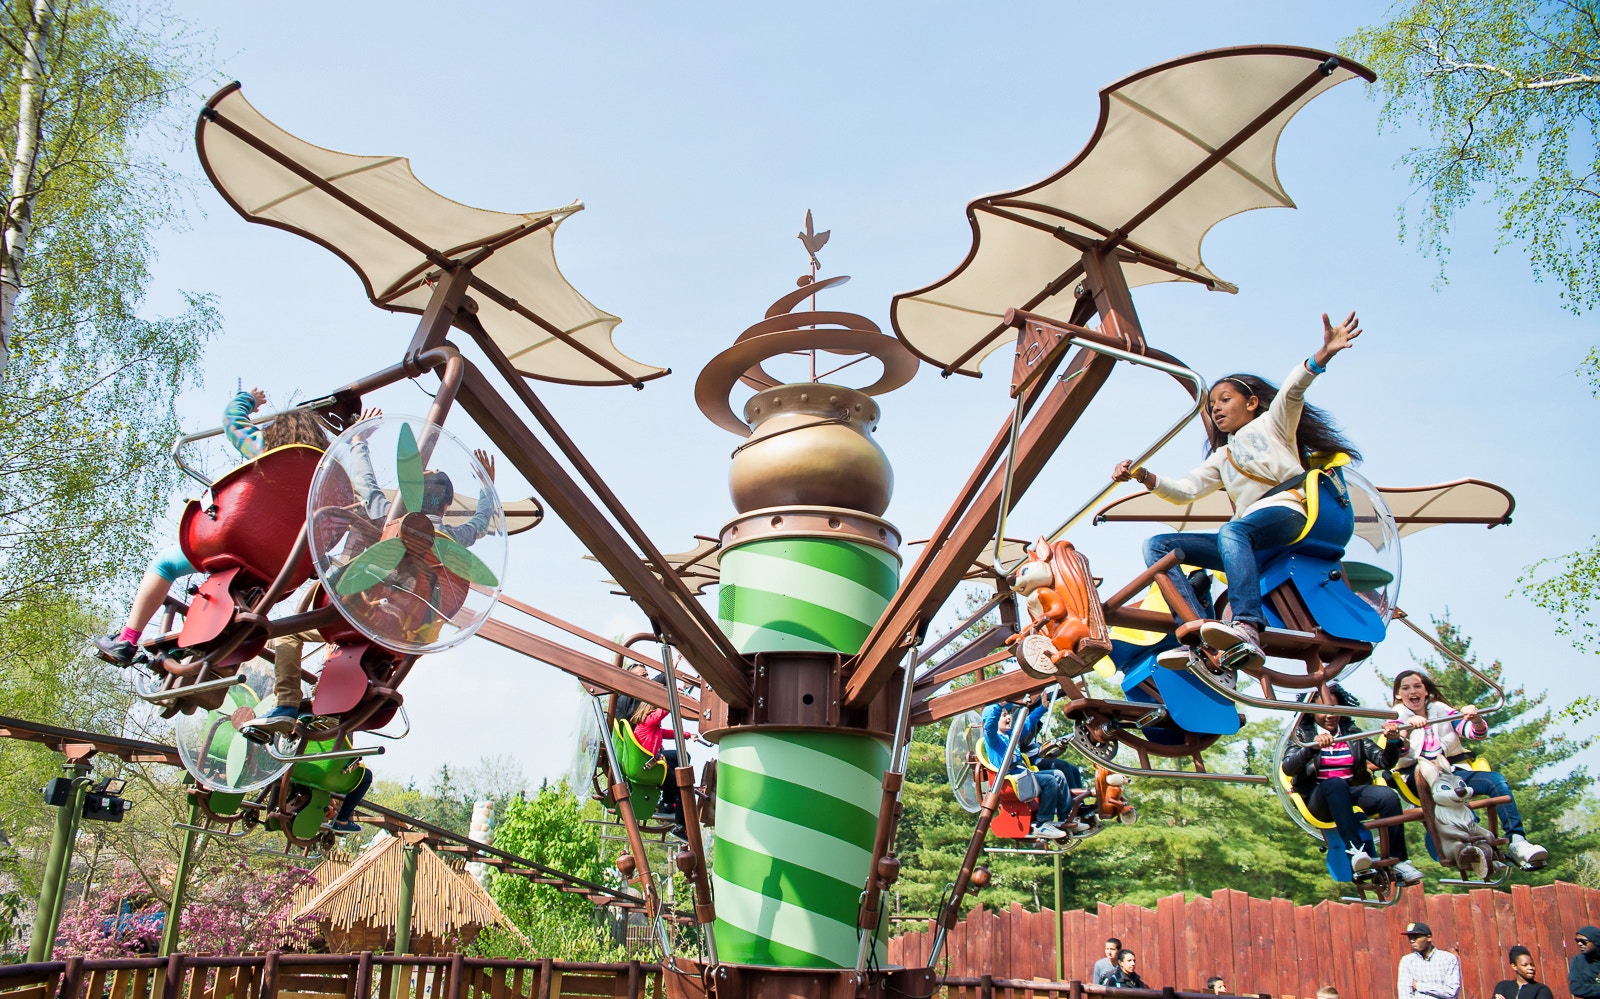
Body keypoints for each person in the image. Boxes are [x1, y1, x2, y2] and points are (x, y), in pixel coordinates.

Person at [1112, 312, 1364, 670]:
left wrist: (1321, 356)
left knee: (1234, 529)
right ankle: (1196, 627)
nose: (1215, 407)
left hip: (1288, 514)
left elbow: (1293, 390)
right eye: (1212, 404)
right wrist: (1145, 475)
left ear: (1252, 403)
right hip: (1248, 535)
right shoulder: (1222, 456)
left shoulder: (1274, 424)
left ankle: (1247, 624)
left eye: (1225, 399)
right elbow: (1185, 490)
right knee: (1158, 545)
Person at [94, 389, 333, 666]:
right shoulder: (324, 478)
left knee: (164, 565)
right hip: (283, 566)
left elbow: (231, 420)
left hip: (237, 542)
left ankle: (127, 639)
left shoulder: (265, 448)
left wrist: (248, 400)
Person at [1391, 669, 1547, 867]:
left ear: (1426, 691)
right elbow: (1397, 752)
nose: (1412, 691)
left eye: (1417, 686)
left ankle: (1517, 841)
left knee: (1495, 780)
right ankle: (1467, 842)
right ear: (1398, 694)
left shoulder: (1442, 711)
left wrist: (1475, 719)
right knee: (1433, 779)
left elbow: (1473, 733)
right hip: (1418, 774)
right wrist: (1406, 728)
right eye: (1406, 688)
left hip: (1452, 772)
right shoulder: (1396, 718)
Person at [1281, 688, 1423, 885]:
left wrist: (1393, 741)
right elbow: (1288, 768)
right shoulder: (1302, 734)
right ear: (1310, 711)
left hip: (1348, 791)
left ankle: (1399, 860)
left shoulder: (1351, 733)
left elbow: (1383, 762)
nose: (1331, 715)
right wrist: (1312, 748)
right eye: (1323, 709)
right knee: (1335, 784)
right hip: (1319, 798)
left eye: (1335, 708)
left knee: (1387, 795)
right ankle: (1355, 852)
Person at [981, 697, 1068, 840]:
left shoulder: (1010, 736)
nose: (1009, 717)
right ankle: (1043, 823)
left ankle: (1065, 817)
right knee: (1049, 781)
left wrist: (1043, 708)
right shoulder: (992, 739)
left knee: (1058, 774)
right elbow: (989, 726)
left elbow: (1027, 723)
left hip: (1022, 775)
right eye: (1004, 715)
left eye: (1008, 714)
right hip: (1011, 780)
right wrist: (998, 708)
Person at [1397, 922, 1462, 999]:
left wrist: (1419, 986)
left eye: (1416, 937)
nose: (1412, 940)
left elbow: (1451, 991)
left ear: (1429, 937)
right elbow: (1404, 993)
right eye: (1410, 938)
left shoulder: (1447, 959)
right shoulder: (1407, 961)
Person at [1570, 927, 1600, 998]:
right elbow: (1576, 988)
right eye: (1577, 941)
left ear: (1596, 941)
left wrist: (1589, 988)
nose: (1580, 944)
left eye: (1583, 941)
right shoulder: (1578, 961)